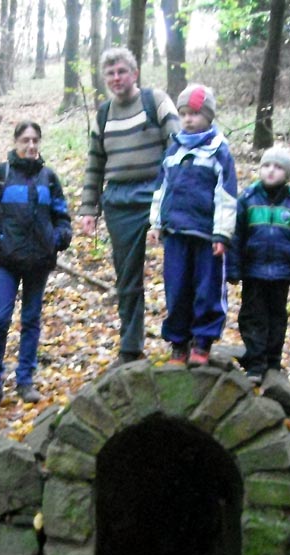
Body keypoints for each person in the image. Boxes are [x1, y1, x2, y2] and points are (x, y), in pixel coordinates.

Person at [79, 48, 181, 366]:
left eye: (122, 71)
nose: (116, 78)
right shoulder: (104, 114)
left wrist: (178, 193)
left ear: (134, 73)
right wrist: (88, 208)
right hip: (119, 201)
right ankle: (130, 346)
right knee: (127, 278)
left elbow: (178, 147)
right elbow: (95, 163)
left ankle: (183, 341)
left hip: (159, 194)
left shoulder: (156, 101)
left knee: (179, 269)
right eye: (110, 74)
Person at [0, 121, 72, 411]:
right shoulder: (0, 175)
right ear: (16, 142)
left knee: (31, 320)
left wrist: (57, 239)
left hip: (39, 261)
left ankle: (25, 381)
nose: (30, 146)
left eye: (35, 140)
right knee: (0, 320)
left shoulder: (48, 178)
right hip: (7, 261)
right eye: (25, 140)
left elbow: (62, 216)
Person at [147, 84, 239, 366]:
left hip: (206, 235)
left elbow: (226, 196)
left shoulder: (218, 151)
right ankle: (178, 343)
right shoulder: (173, 150)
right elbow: (161, 190)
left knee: (206, 289)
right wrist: (156, 223)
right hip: (176, 232)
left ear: (208, 116)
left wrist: (222, 233)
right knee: (176, 288)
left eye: (195, 114)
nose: (188, 119)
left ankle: (202, 341)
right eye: (184, 113)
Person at [228, 146, 290, 384]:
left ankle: (273, 361)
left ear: (286, 174)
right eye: (266, 165)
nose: (270, 171)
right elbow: (236, 236)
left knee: (276, 316)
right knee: (252, 316)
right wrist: (233, 268)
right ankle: (255, 363)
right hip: (253, 271)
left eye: (278, 167)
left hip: (281, 273)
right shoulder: (248, 199)